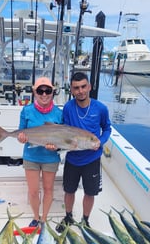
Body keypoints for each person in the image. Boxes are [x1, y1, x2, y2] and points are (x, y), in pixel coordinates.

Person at [56, 71, 111, 231]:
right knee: (69, 190)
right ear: (71, 90)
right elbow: (64, 131)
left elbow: (107, 128)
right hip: (73, 158)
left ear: (89, 87)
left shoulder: (100, 108)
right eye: (76, 88)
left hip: (92, 159)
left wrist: (100, 141)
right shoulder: (68, 107)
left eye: (83, 87)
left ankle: (85, 220)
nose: (80, 91)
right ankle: (68, 217)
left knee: (90, 192)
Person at [17, 77, 62, 227]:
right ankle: (36, 217)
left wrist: (56, 147)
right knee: (33, 191)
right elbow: (21, 132)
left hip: (50, 158)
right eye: (40, 91)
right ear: (34, 92)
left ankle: (44, 219)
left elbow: (63, 138)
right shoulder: (27, 110)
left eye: (47, 90)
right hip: (31, 156)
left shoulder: (58, 114)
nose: (44, 94)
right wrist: (21, 138)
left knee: (48, 189)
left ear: (52, 92)